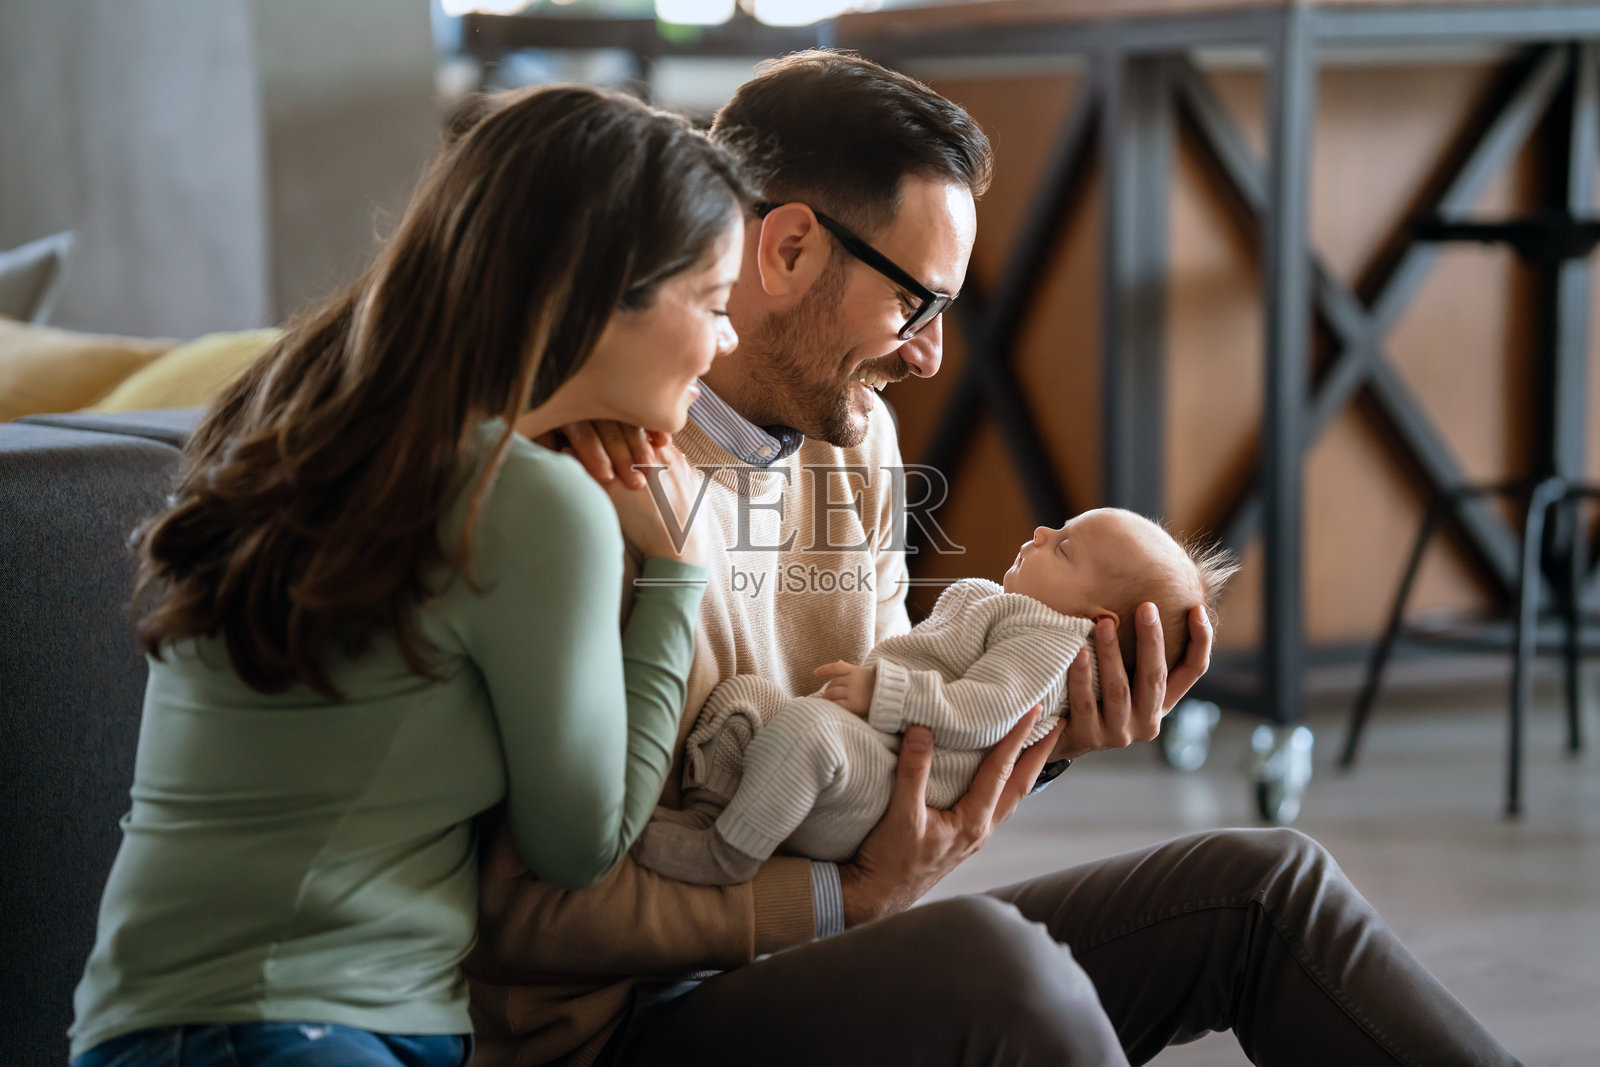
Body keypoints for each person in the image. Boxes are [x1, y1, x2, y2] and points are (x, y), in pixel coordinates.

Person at [466, 52, 1521, 1067]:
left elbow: (880, 749)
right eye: (913, 302)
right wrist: (846, 902)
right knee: (1000, 971)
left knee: (1264, 883)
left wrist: (1043, 728)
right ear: (785, 249)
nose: (928, 353)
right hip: (627, 1030)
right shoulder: (583, 464)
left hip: (803, 963)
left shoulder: (855, 435)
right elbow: (517, 912)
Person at [67, 86, 754, 1067]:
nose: (725, 341)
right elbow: (582, 841)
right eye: (714, 302)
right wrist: (677, 570)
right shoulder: (522, 504)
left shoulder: (291, 416)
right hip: (309, 1029)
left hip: (154, 1023)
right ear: (593, 288)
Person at [630, 508, 1236, 885]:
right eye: (1060, 525)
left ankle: (726, 855)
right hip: (867, 750)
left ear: (1091, 620)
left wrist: (881, 689)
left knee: (807, 733)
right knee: (750, 697)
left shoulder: (1051, 643)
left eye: (1066, 547)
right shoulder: (1002, 608)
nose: (1042, 531)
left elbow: (983, 710)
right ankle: (717, 814)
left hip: (892, 782)